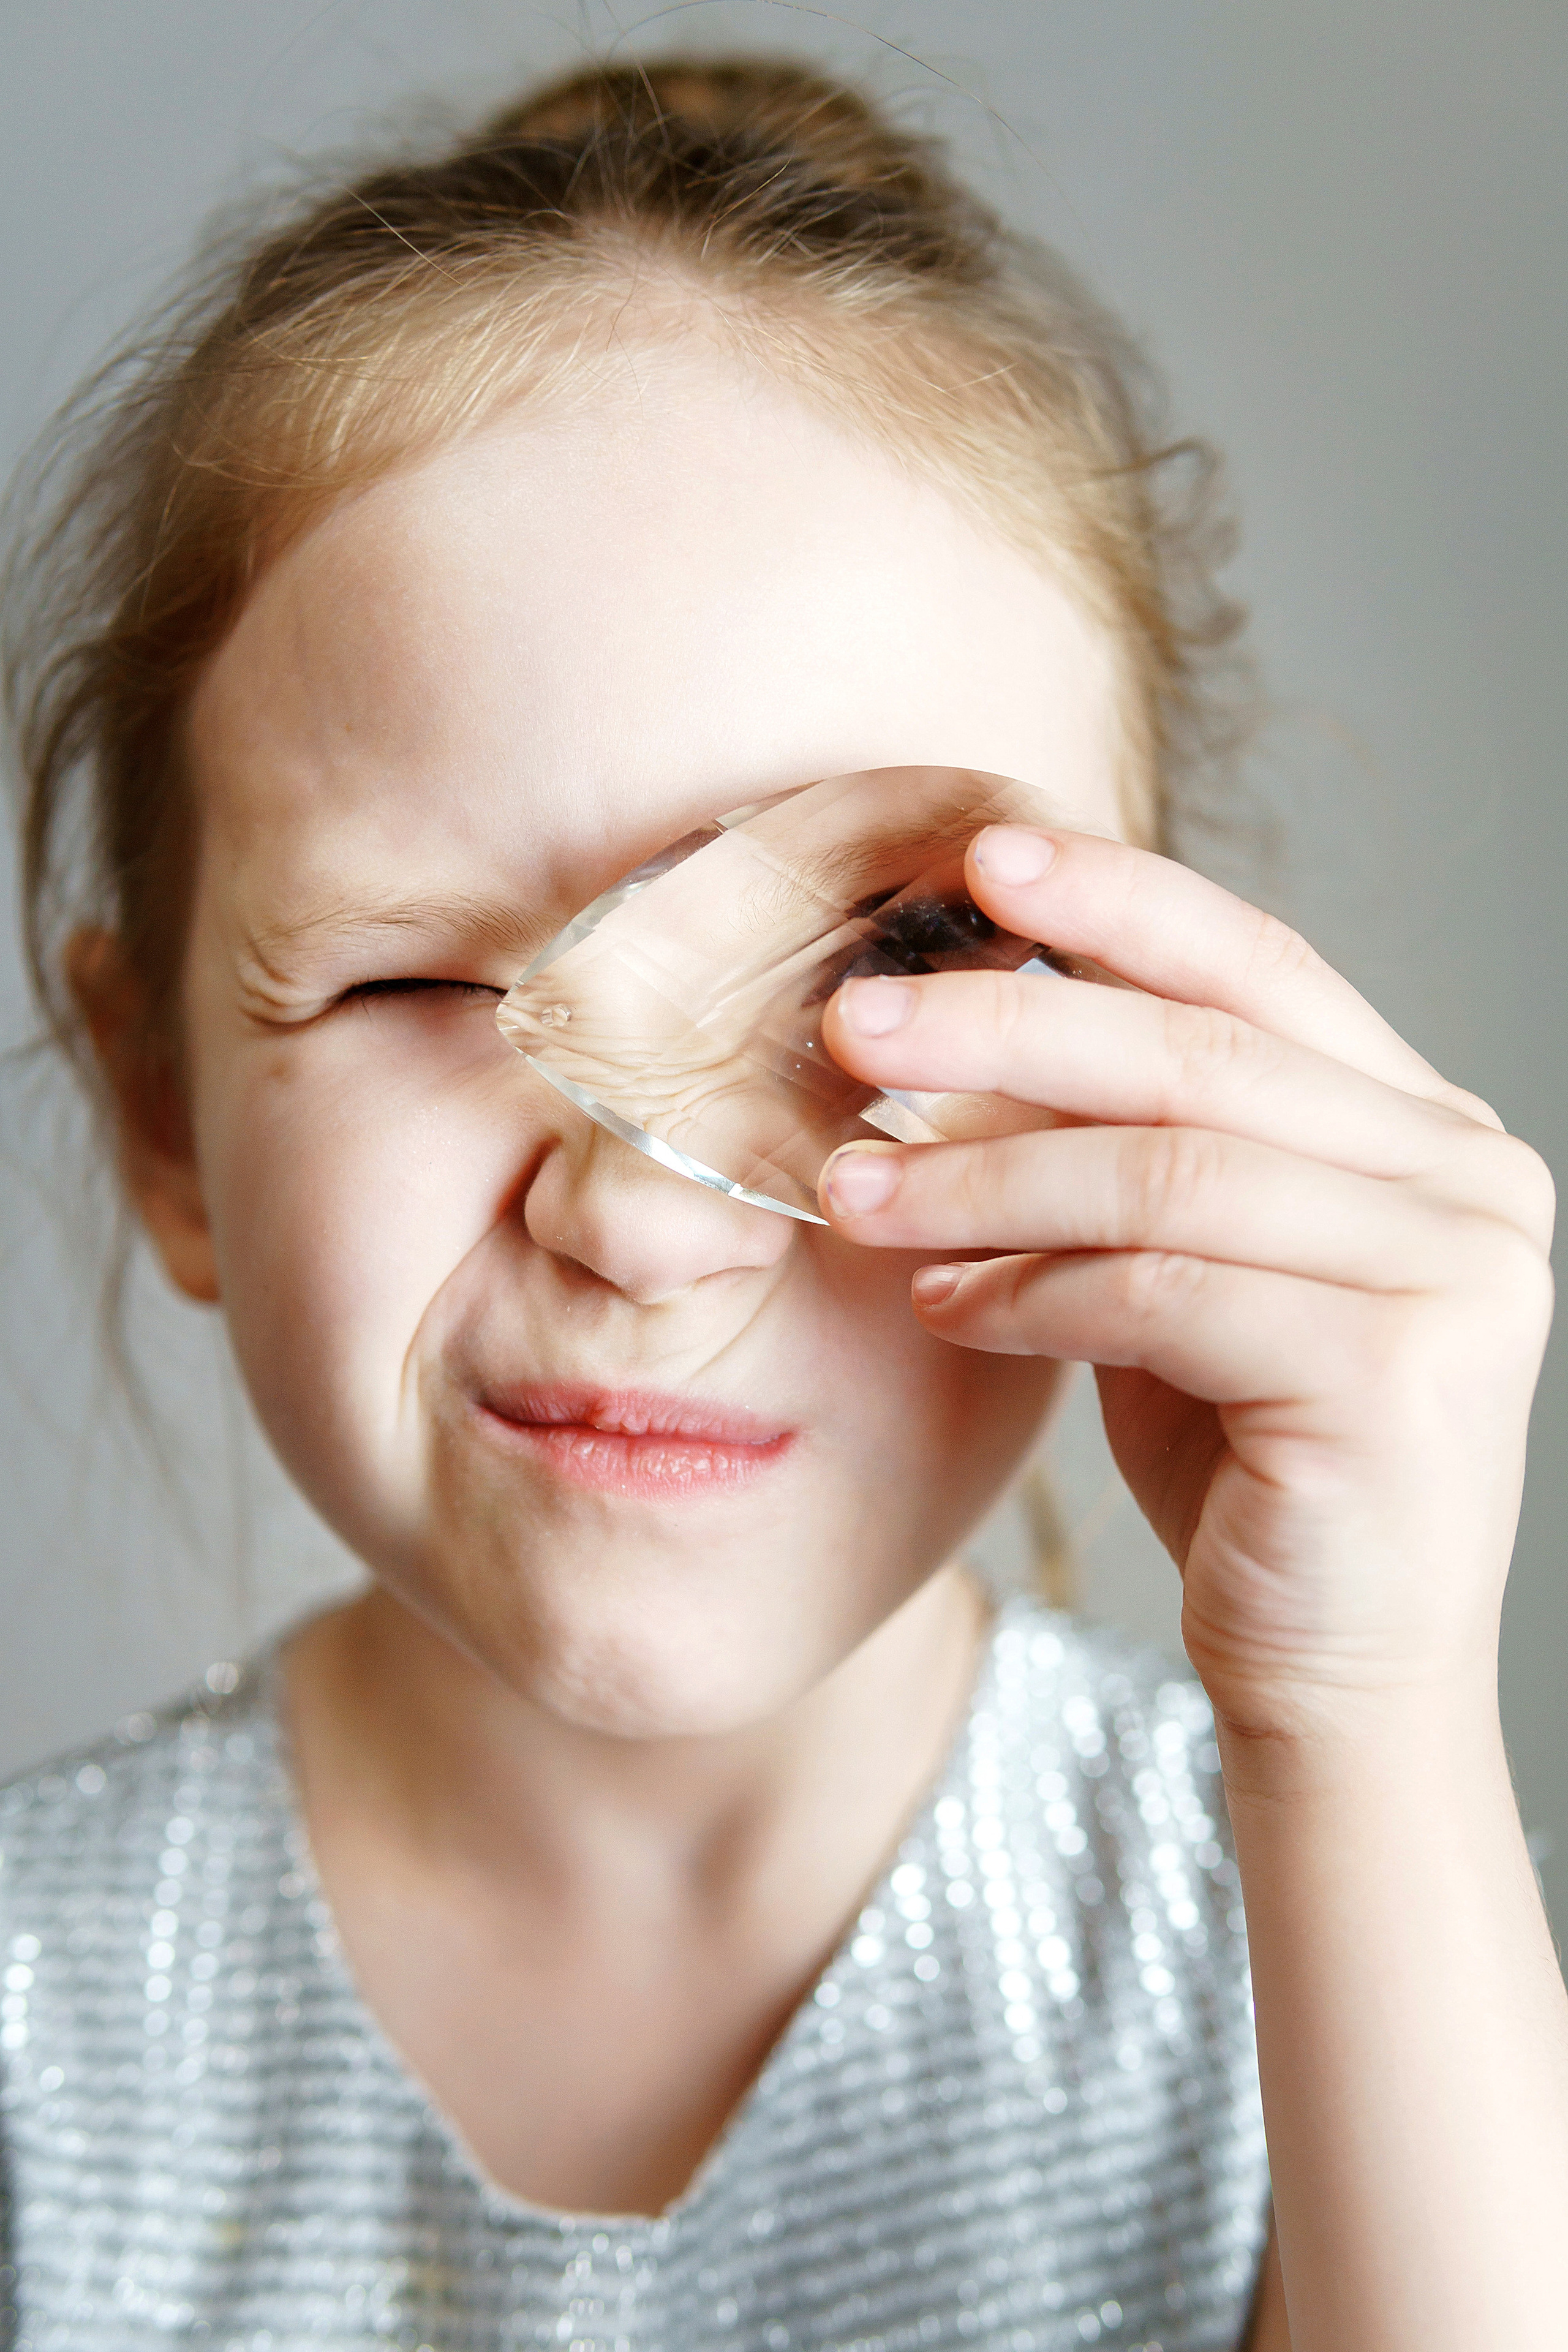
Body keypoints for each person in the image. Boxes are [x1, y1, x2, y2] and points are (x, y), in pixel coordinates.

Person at [1, 55, 1562, 2352]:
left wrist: (1376, 1714)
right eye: (426, 979)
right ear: (161, 1111)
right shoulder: (41, 2025)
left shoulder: (1327, 1959)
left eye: (897, 973)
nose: (642, 1228)